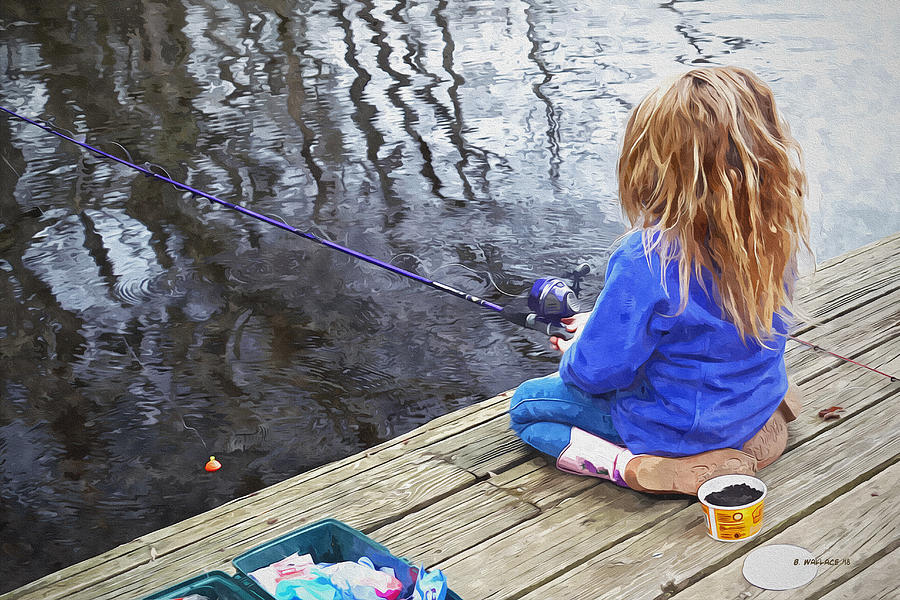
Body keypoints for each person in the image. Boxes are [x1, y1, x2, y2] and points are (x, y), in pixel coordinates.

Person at [509, 66, 809, 495]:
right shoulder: (770, 238)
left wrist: (578, 348)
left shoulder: (645, 258)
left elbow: (595, 376)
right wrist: (602, 321)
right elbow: (702, 330)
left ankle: (637, 468)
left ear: (650, 168)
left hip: (677, 429)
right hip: (749, 403)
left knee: (527, 406)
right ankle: (763, 425)